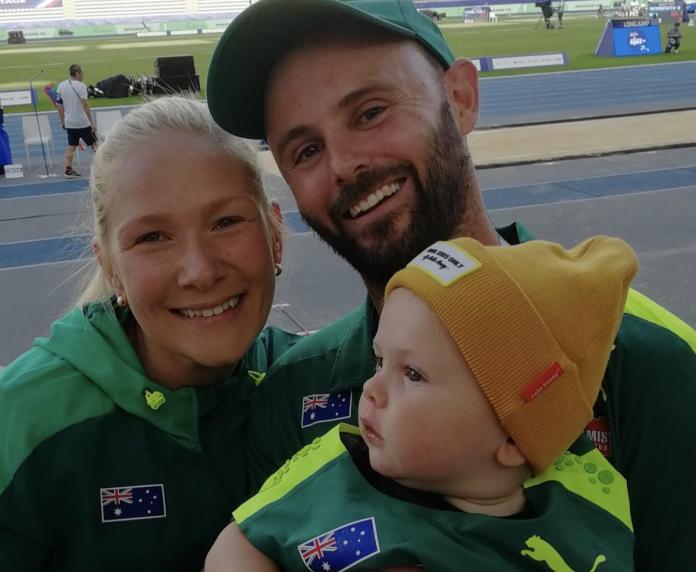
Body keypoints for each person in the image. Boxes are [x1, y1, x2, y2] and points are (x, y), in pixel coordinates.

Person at [205, 0, 696, 569]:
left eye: (369, 112)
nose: (343, 164)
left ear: (461, 98)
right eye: (306, 150)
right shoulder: (291, 395)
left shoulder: (652, 368)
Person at [206, 236, 637, 571]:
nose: (371, 389)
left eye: (412, 374)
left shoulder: (583, 516)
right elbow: (237, 544)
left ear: (512, 436)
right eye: (379, 361)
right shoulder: (337, 472)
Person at [0, 96, 298, 571]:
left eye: (225, 222)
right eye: (152, 237)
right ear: (111, 268)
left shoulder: (328, 386)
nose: (199, 272)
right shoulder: (17, 425)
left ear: (275, 232)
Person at [56, 64, 97, 178]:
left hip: (70, 122)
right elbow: (85, 104)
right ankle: (101, 167)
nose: (84, 75)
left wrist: (63, 121)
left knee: (71, 145)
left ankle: (68, 170)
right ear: (78, 73)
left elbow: (59, 105)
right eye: (82, 72)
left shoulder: (61, 85)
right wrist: (91, 122)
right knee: (95, 145)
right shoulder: (81, 86)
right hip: (82, 122)